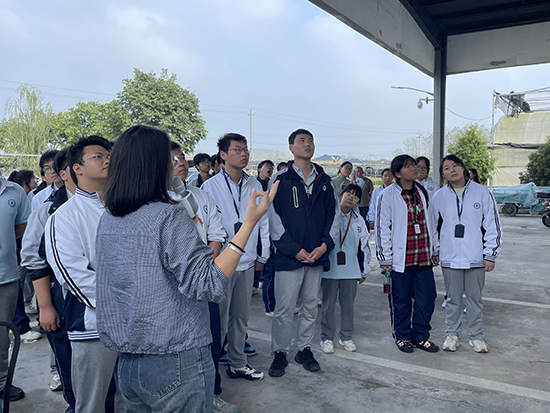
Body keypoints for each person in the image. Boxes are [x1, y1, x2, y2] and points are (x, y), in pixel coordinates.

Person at [95, 125, 278, 412]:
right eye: (169, 159)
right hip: (176, 357)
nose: (176, 165)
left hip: (129, 359)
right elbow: (208, 283)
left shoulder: (110, 218)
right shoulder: (168, 215)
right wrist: (250, 223)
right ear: (155, 165)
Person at [45, 136, 121, 413]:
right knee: (92, 403)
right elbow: (73, 275)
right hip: (93, 325)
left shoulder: (124, 208)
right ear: (77, 168)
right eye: (98, 156)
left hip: (135, 322)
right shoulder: (64, 216)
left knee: (131, 397)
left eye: (109, 155)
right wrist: (121, 304)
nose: (107, 160)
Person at [170, 142, 237, 413]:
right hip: (173, 286)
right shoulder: (155, 201)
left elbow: (216, 233)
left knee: (210, 338)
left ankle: (212, 394)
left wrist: (207, 265)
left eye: (182, 157)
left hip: (204, 279)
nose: (180, 163)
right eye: (173, 159)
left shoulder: (201, 196)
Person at [201, 133, 269, 382]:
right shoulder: (210, 187)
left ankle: (237, 362)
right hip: (221, 263)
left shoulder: (255, 184)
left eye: (245, 149)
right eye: (237, 149)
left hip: (247, 261)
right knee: (218, 319)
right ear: (223, 155)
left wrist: (263, 253)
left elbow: (263, 222)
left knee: (240, 318)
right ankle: (211, 368)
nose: (244, 154)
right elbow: (206, 226)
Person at [268, 128, 335, 378]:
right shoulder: (280, 179)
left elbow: (333, 216)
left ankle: (304, 349)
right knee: (284, 307)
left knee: (309, 305)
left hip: (316, 255)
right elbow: (272, 218)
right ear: (291, 148)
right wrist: (294, 250)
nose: (308, 144)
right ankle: (280, 351)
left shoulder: (324, 180)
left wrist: (324, 245)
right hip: (289, 256)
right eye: (302, 141)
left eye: (311, 141)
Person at [22, 148, 76, 410]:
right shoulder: (49, 210)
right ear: (68, 172)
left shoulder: (112, 204)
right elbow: (34, 260)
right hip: (61, 297)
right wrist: (44, 306)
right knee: (70, 368)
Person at [432, 155, 502, 353]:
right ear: (443, 174)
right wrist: (435, 250)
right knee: (452, 299)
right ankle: (451, 335)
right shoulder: (439, 196)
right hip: (449, 256)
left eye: (455, 165)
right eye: (446, 168)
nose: (452, 170)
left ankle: (476, 336)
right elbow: (433, 226)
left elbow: (492, 225)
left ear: (463, 168)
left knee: (474, 299)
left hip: (476, 256)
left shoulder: (482, 193)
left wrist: (490, 254)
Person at [376, 154, 439, 354]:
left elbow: (431, 223)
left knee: (426, 298)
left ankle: (420, 336)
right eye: (408, 166)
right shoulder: (388, 195)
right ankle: (402, 336)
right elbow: (382, 228)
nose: (414, 169)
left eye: (415, 165)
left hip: (423, 256)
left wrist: (435, 249)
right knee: (401, 301)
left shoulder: (422, 192)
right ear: (397, 173)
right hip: (400, 259)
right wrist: (385, 258)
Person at [320, 184, 370, 354]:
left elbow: (364, 246)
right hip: (330, 268)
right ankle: (326, 338)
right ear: (341, 194)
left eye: (355, 197)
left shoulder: (358, 220)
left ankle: (346, 336)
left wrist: (364, 270)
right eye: (349, 194)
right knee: (328, 305)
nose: (351, 199)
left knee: (348, 305)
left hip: (351, 269)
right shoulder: (328, 215)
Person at [0, 174, 31, 402]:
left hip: (6, 276)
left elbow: (21, 227)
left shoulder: (15, 192)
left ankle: (2, 382)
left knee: (2, 335)